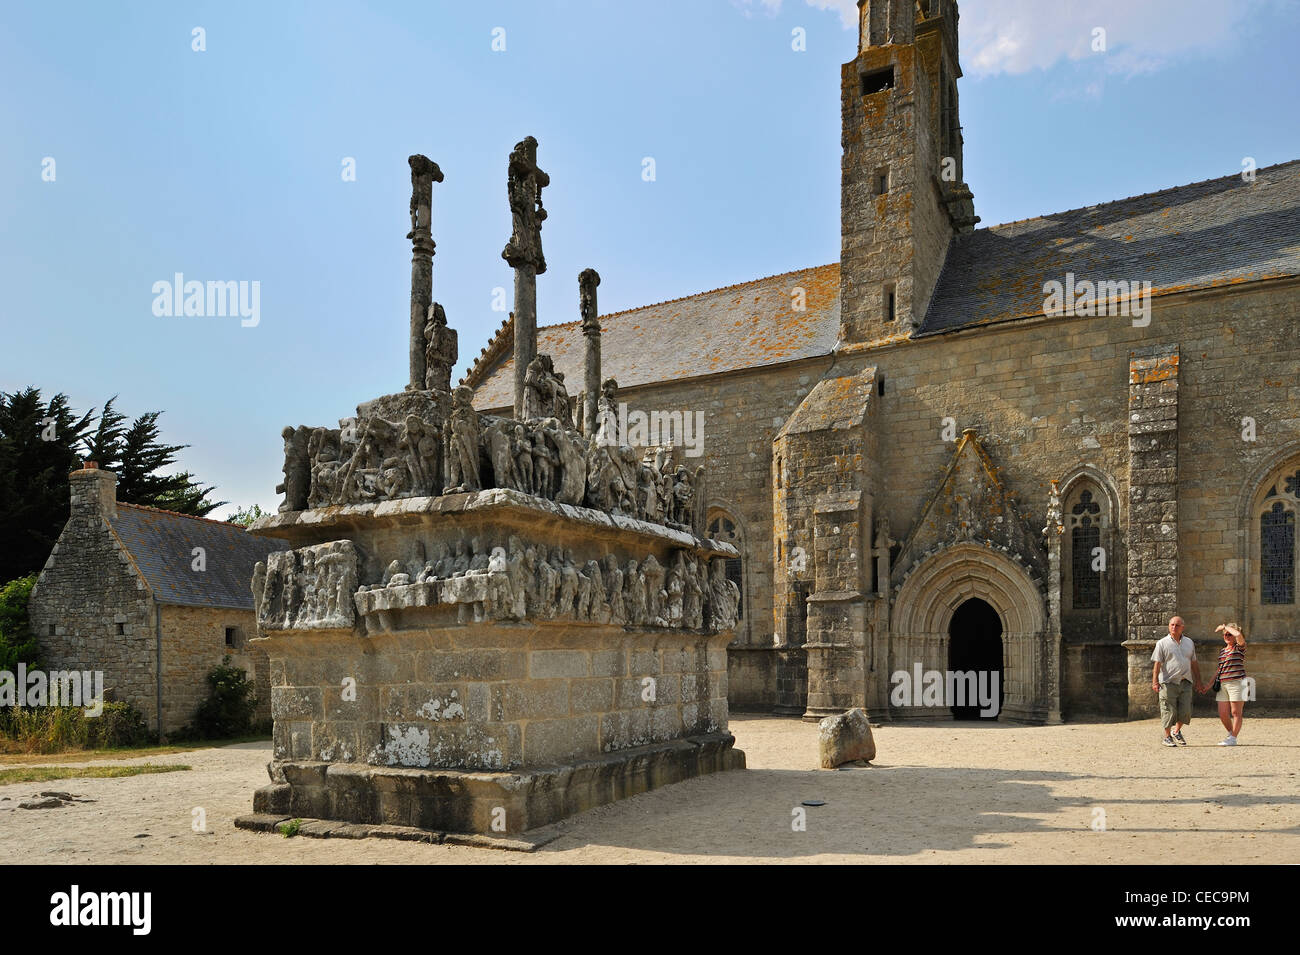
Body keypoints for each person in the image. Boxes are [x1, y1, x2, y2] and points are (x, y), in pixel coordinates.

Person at [1151, 616, 1203, 747]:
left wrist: (1199, 681)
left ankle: (1177, 731)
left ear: (1182, 627)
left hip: (1186, 682)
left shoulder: (1189, 642)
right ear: (1169, 626)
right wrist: (1155, 682)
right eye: (1172, 625)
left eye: (1177, 625)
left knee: (1185, 711)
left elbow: (1194, 663)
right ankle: (1167, 737)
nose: (1174, 627)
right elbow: (1157, 665)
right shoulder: (1162, 643)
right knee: (1168, 710)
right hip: (1168, 682)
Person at [1208, 622, 1248, 746]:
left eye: (1229, 634)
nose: (1227, 636)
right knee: (1223, 713)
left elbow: (1238, 634)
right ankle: (1231, 734)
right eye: (1225, 634)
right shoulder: (1222, 651)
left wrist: (1225, 627)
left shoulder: (1239, 647)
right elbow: (1219, 669)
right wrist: (1208, 685)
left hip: (1237, 682)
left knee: (1236, 712)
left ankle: (1233, 738)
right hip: (1223, 684)